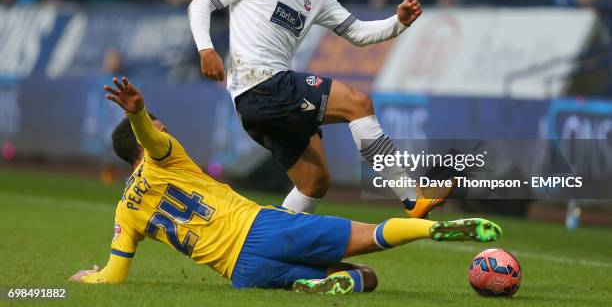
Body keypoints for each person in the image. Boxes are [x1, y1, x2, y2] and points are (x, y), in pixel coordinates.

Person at [69, 77, 502, 294]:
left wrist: (89, 278)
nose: (165, 131)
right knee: (369, 239)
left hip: (242, 273)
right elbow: (151, 138)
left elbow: (115, 273)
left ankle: (308, 287)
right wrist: (138, 114)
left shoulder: (125, 211)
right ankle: (432, 228)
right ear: (142, 143)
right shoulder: (164, 156)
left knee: (365, 280)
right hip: (261, 228)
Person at [188, 0, 454, 218]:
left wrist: (399, 22)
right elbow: (201, 3)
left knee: (314, 183)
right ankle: (412, 198)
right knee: (357, 103)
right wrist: (206, 49)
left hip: (263, 101)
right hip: (262, 84)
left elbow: (358, 33)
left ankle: (271, 246)